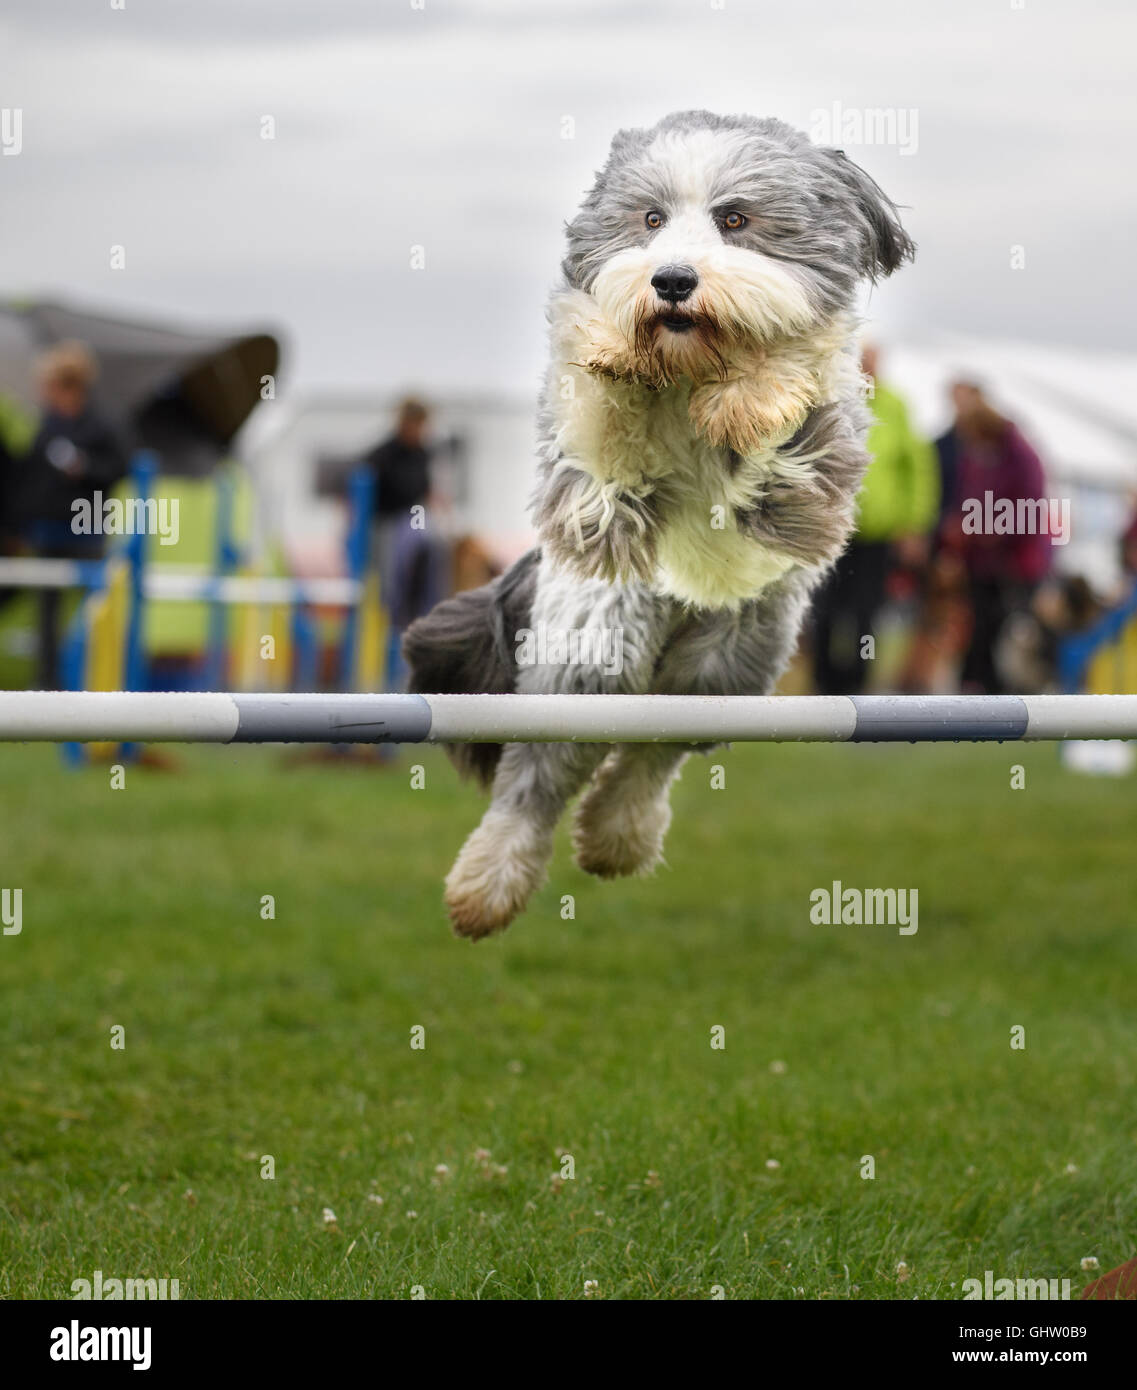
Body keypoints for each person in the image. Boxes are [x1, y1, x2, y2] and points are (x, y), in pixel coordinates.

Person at [811, 344, 939, 694]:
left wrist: (914, 526)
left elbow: (919, 470)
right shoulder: (828, 397)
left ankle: (858, 682)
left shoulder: (897, 406)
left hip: (877, 535)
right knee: (825, 609)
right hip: (832, 531)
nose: (867, 367)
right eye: (861, 360)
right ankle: (824, 683)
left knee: (866, 613)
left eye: (872, 361)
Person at [11, 341, 129, 687]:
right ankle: (47, 685)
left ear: (68, 385)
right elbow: (31, 479)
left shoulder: (103, 425)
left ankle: (93, 681)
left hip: (87, 528)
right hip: (48, 530)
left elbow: (119, 467)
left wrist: (85, 467)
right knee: (47, 613)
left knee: (94, 612)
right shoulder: (45, 425)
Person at [936, 381, 1051, 694]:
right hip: (984, 563)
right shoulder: (979, 455)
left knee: (1010, 631)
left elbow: (1030, 508)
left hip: (1018, 564)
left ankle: (1014, 691)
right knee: (980, 627)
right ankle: (979, 687)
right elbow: (968, 499)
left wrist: (993, 532)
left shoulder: (1022, 456)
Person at [362, 396, 445, 632]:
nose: (419, 430)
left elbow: (427, 491)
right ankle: (393, 618)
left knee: (431, 543)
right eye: (415, 424)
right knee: (393, 569)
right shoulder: (382, 454)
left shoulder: (422, 454)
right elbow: (358, 487)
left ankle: (426, 611)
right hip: (385, 521)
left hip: (412, 520)